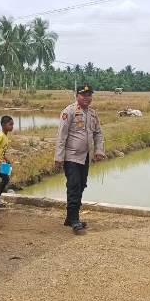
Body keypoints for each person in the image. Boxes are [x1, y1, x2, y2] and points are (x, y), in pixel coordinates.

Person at [54, 83, 106, 234]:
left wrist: (99, 150)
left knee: (81, 185)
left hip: (85, 157)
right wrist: (58, 157)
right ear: (77, 96)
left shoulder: (92, 114)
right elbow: (61, 136)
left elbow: (98, 133)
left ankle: (70, 218)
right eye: (84, 95)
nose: (87, 98)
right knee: (74, 185)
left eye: (89, 95)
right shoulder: (68, 111)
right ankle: (74, 219)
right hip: (71, 156)